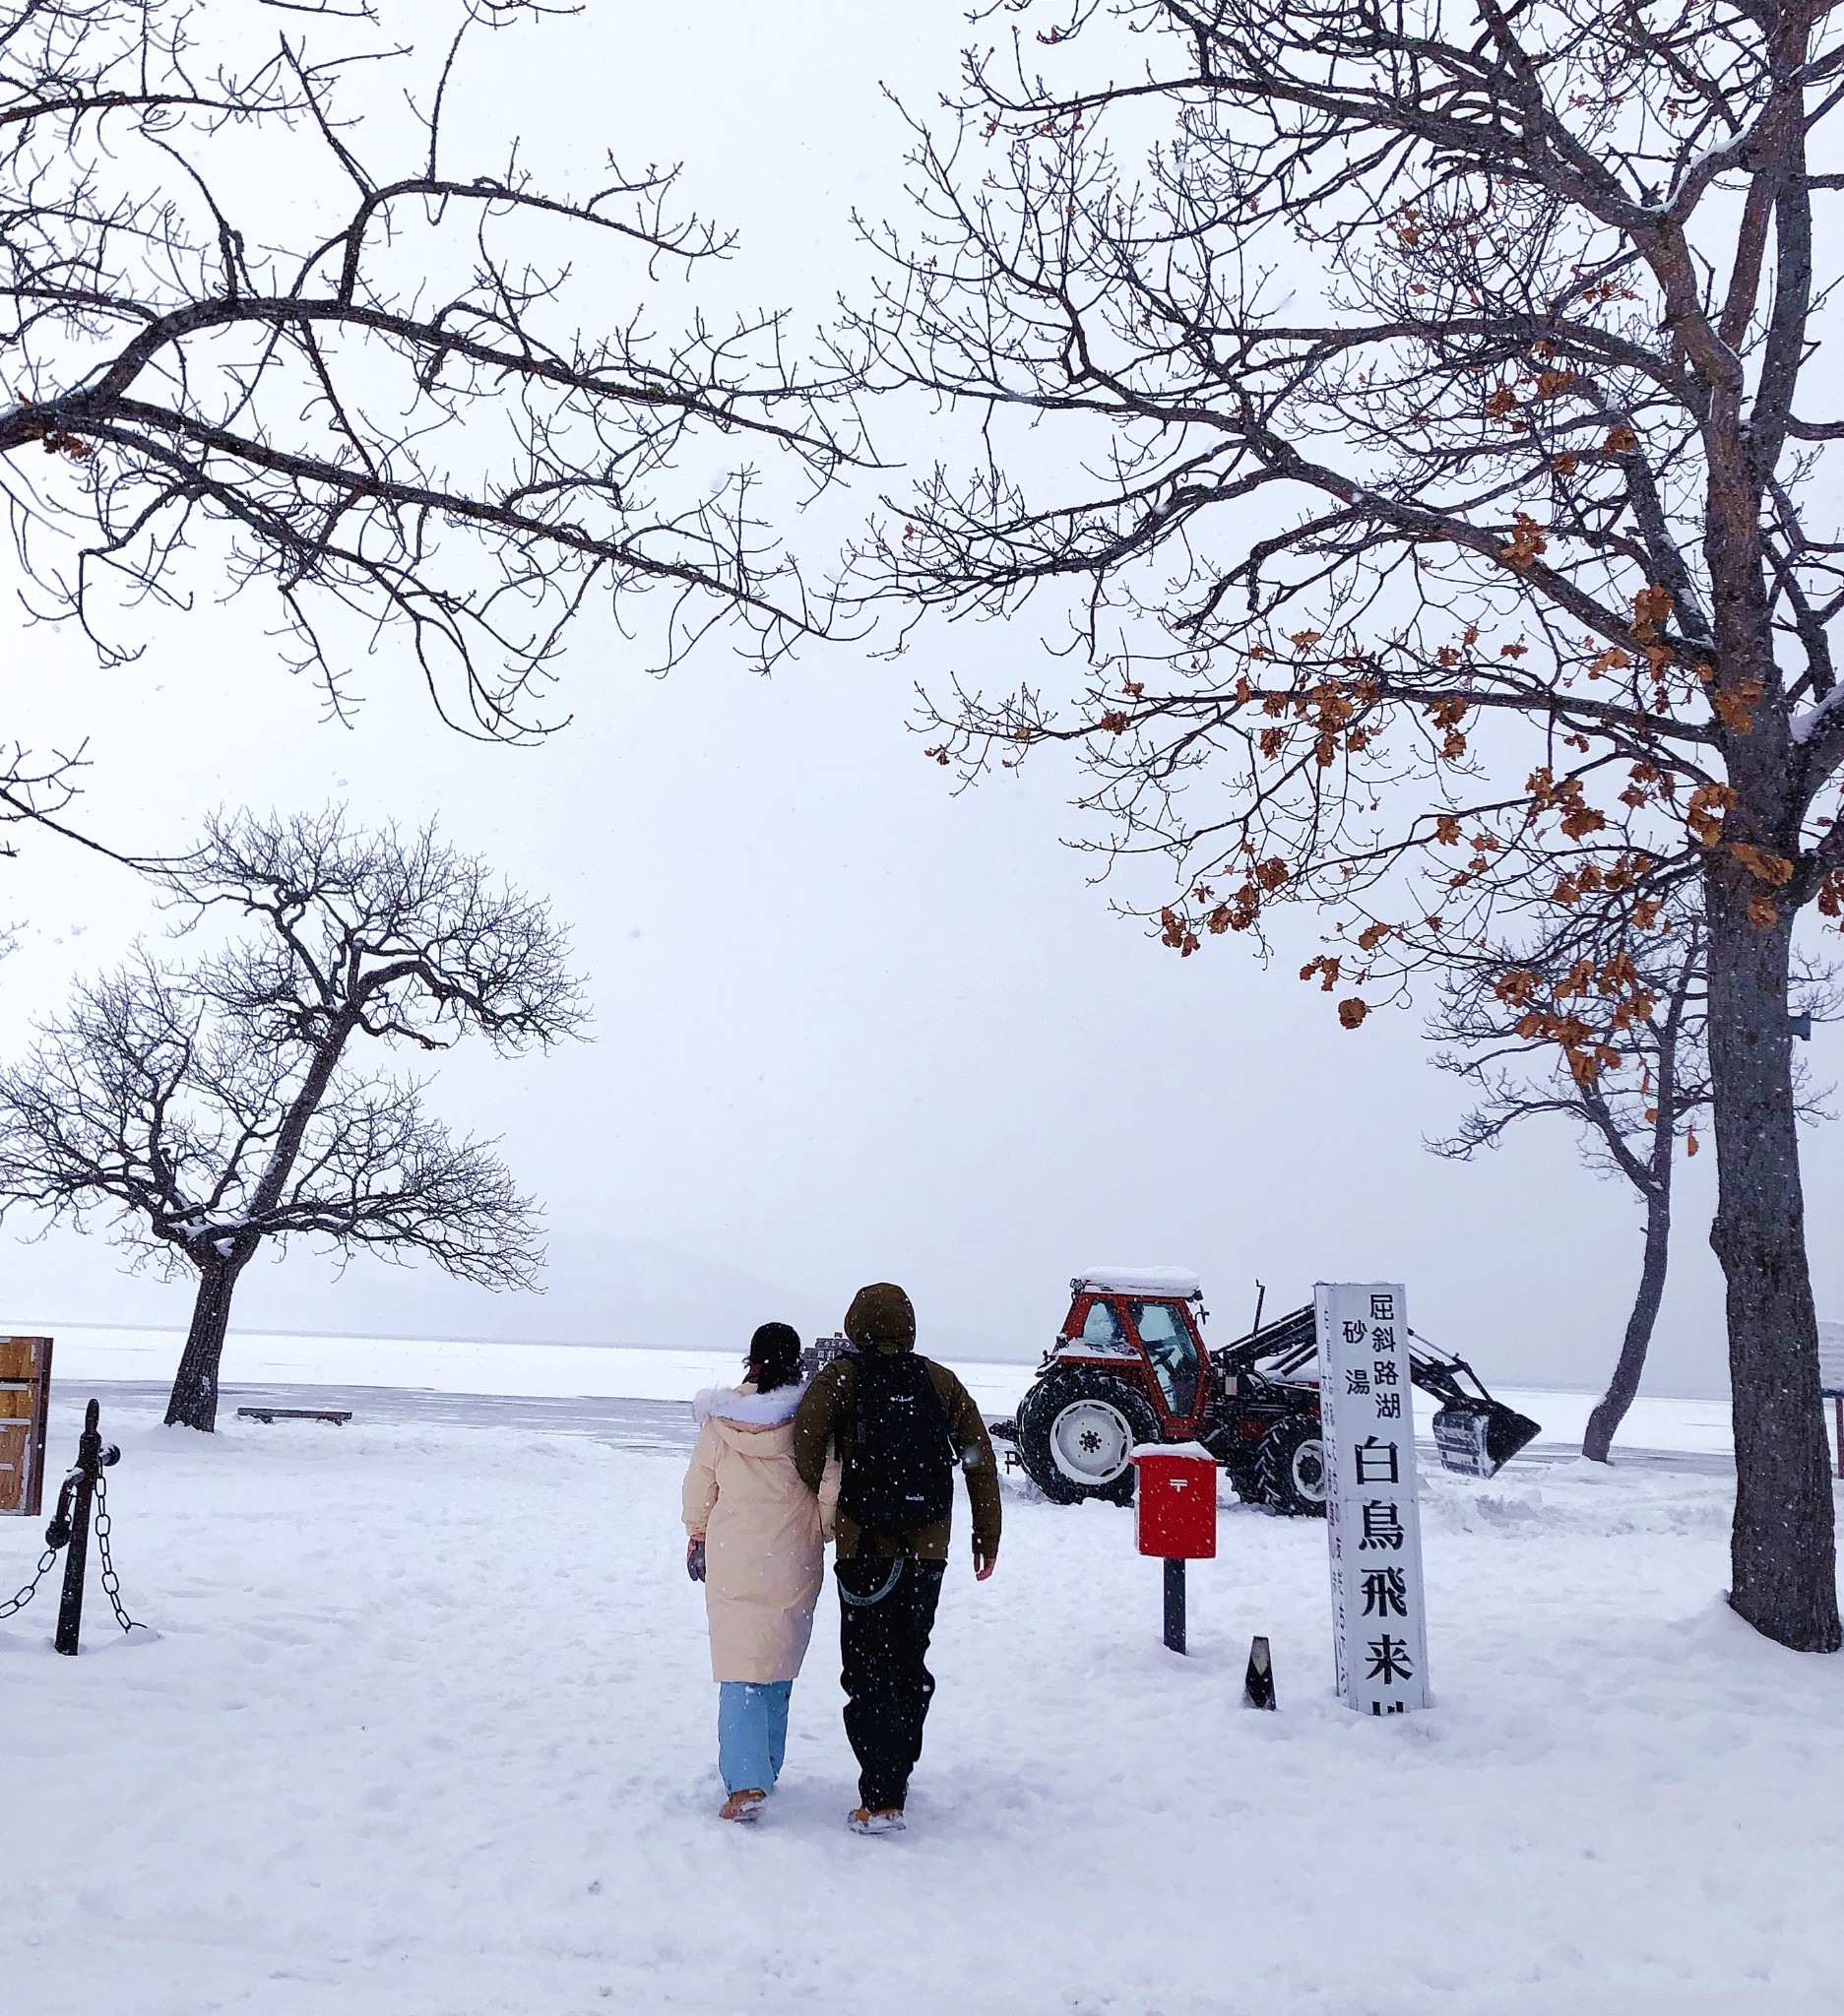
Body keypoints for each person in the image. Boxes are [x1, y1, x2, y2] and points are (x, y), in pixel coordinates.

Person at [792, 1281, 1000, 1836]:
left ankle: (881, 1794)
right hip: (928, 1552)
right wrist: (986, 1534)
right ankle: (897, 1773)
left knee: (867, 1667)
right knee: (910, 1660)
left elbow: (806, 1443)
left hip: (865, 1550)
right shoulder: (940, 1381)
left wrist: (834, 1501)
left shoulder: (841, 1377)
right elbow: (979, 1458)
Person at [682, 1321, 837, 1823]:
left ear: (751, 1360)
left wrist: (698, 1534)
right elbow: (830, 1483)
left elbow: (698, 1485)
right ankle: (764, 1770)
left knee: (740, 1664)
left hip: (734, 1551)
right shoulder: (810, 1419)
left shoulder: (721, 1420)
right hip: (792, 1551)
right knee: (777, 1659)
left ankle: (746, 1783)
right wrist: (822, 1528)